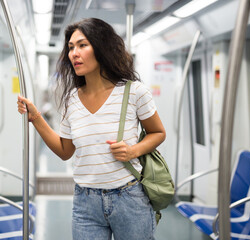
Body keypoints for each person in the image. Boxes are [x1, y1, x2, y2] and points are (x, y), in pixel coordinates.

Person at [18, 18, 166, 240]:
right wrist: (36, 117)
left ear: (101, 46)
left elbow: (158, 133)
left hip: (129, 199)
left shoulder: (134, 92)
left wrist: (133, 151)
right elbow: (65, 151)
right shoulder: (71, 100)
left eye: (82, 45)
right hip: (85, 202)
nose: (74, 53)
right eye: (70, 47)